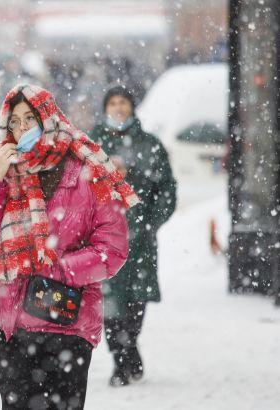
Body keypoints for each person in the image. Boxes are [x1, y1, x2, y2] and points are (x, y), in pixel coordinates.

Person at [0, 84, 138, 409]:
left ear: (47, 118)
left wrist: (59, 268)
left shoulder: (90, 173)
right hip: (13, 324)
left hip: (66, 322)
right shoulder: (8, 173)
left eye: (28, 119)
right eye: (13, 123)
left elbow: (112, 250)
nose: (21, 130)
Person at [89, 85, 177, 387]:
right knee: (109, 305)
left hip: (139, 241)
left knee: (137, 303)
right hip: (102, 239)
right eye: (112, 102)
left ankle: (130, 348)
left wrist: (150, 222)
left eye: (123, 102)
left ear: (132, 106)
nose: (117, 107)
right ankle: (121, 362)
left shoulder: (149, 144)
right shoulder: (91, 144)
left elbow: (166, 188)